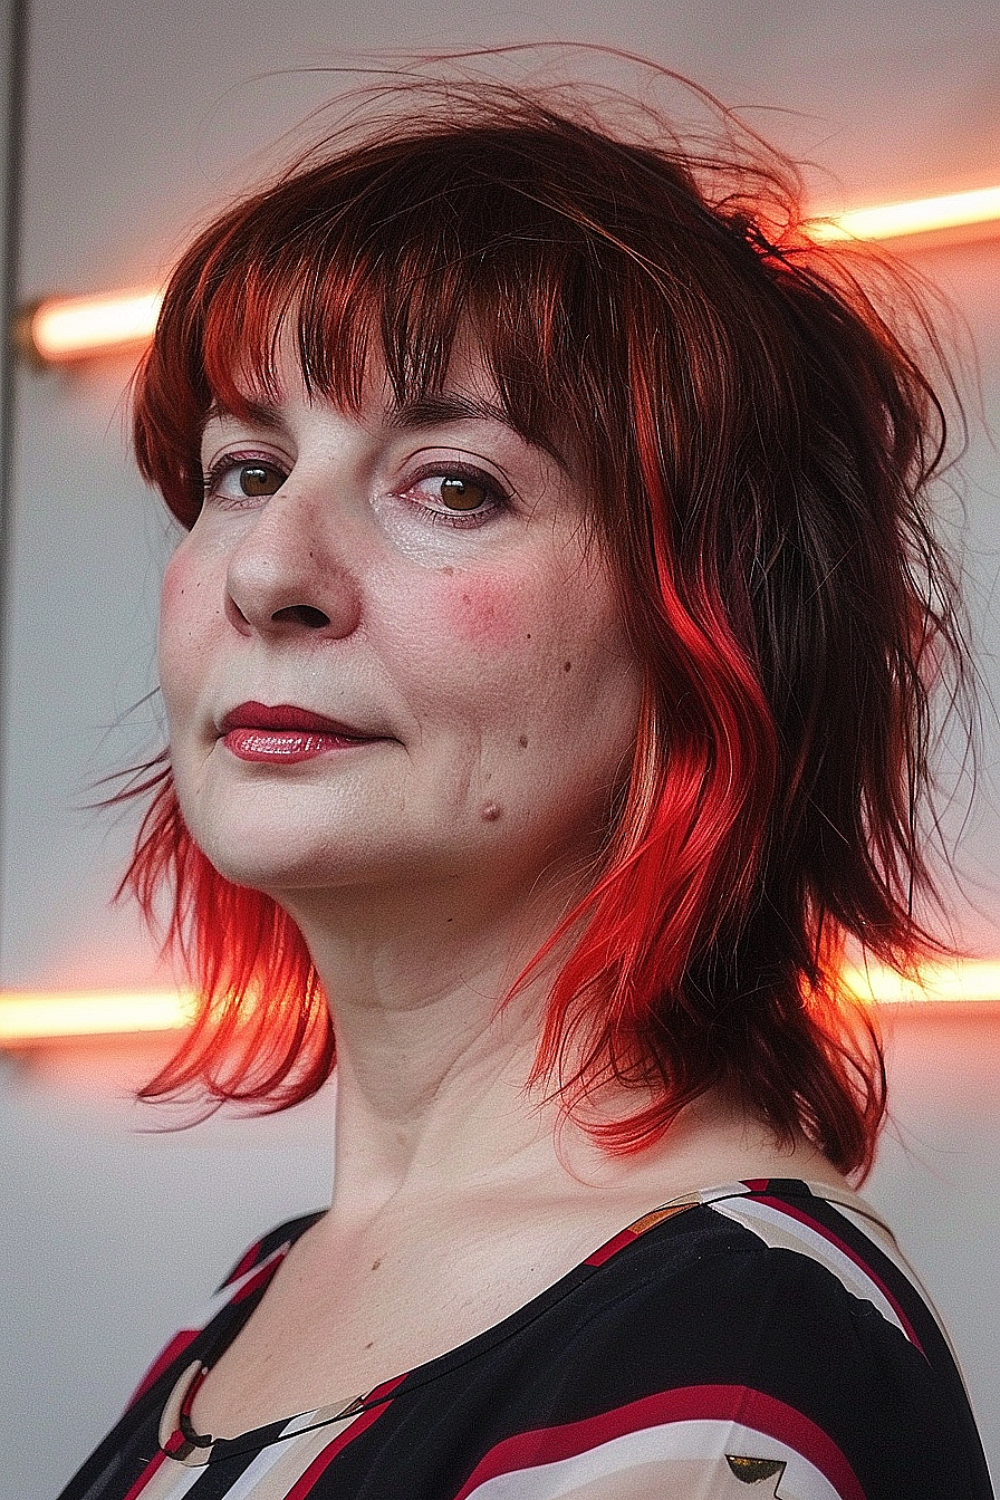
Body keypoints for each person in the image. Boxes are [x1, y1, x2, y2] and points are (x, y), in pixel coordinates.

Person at [58, 63, 993, 1500]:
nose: (270, 571)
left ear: (714, 639)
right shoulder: (268, 1294)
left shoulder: (718, 1378)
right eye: (245, 468)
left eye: (455, 483)